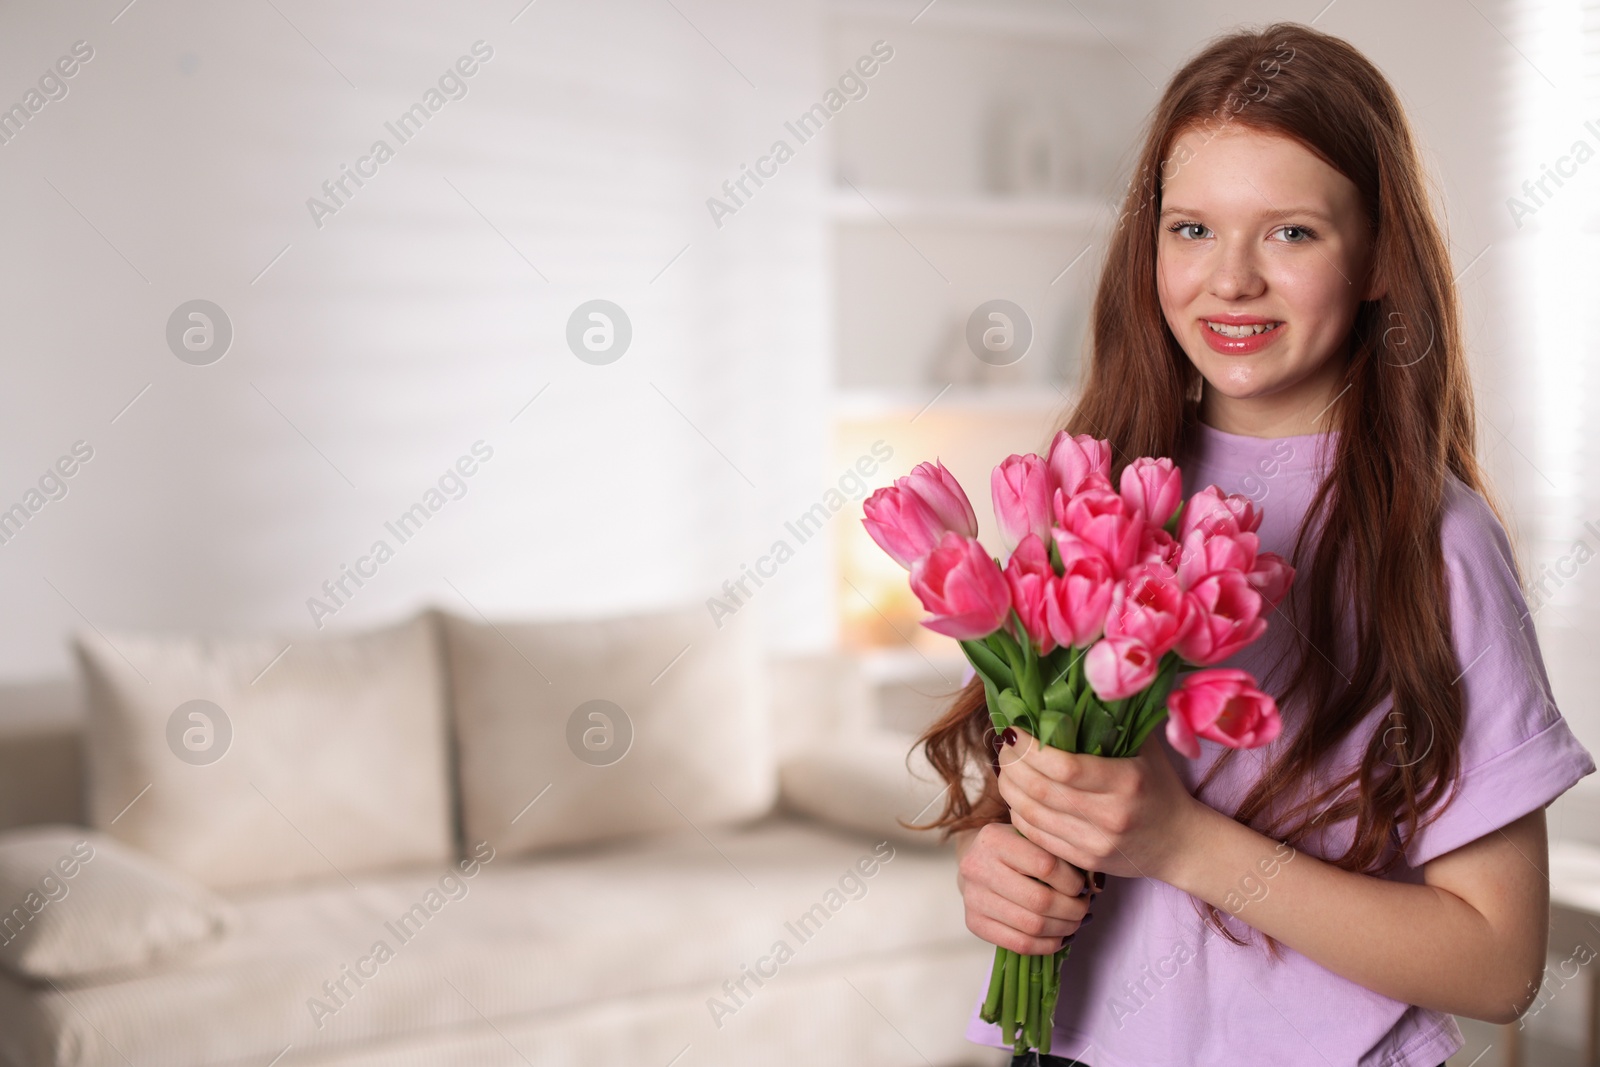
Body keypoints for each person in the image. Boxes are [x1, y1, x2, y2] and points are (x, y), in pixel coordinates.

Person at [904, 20, 1597, 1067]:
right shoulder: (1097, 487)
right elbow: (1063, 800)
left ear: (1374, 259)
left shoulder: (1433, 538)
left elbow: (1499, 964)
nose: (1228, 280)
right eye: (1190, 229)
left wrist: (1184, 843)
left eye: (1290, 233)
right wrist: (1006, 867)